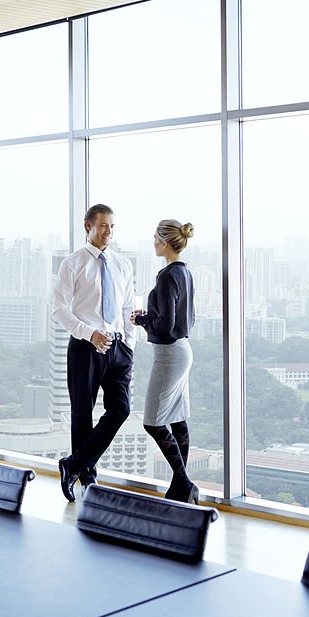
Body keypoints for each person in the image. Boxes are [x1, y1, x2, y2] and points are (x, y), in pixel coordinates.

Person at [52, 204, 135, 502]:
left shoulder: (123, 264)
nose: (108, 232)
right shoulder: (72, 264)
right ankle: (87, 477)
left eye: (111, 226)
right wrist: (90, 333)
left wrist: (128, 343)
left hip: (117, 347)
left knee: (121, 410)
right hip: (85, 346)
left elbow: (126, 308)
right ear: (87, 226)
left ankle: (73, 464)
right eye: (102, 226)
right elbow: (59, 310)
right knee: (82, 413)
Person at [131, 220, 197, 503]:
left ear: (164, 242)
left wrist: (141, 320)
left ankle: (183, 483)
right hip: (182, 349)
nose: (152, 241)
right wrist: (153, 318)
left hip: (169, 354)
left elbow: (165, 323)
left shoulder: (167, 275)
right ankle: (180, 486)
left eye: (155, 237)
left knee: (153, 422)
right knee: (177, 419)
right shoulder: (185, 272)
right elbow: (182, 318)